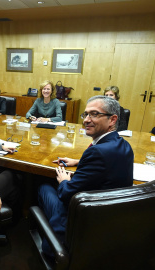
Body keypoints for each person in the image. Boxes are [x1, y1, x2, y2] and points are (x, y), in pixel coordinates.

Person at [38, 95, 134, 257]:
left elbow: (67, 193)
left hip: (81, 223)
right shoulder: (123, 144)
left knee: (43, 186)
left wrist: (64, 181)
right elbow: (104, 163)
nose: (86, 120)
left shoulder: (96, 152)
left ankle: (50, 242)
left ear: (112, 120)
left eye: (94, 114)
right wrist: (78, 161)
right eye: (86, 114)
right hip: (107, 220)